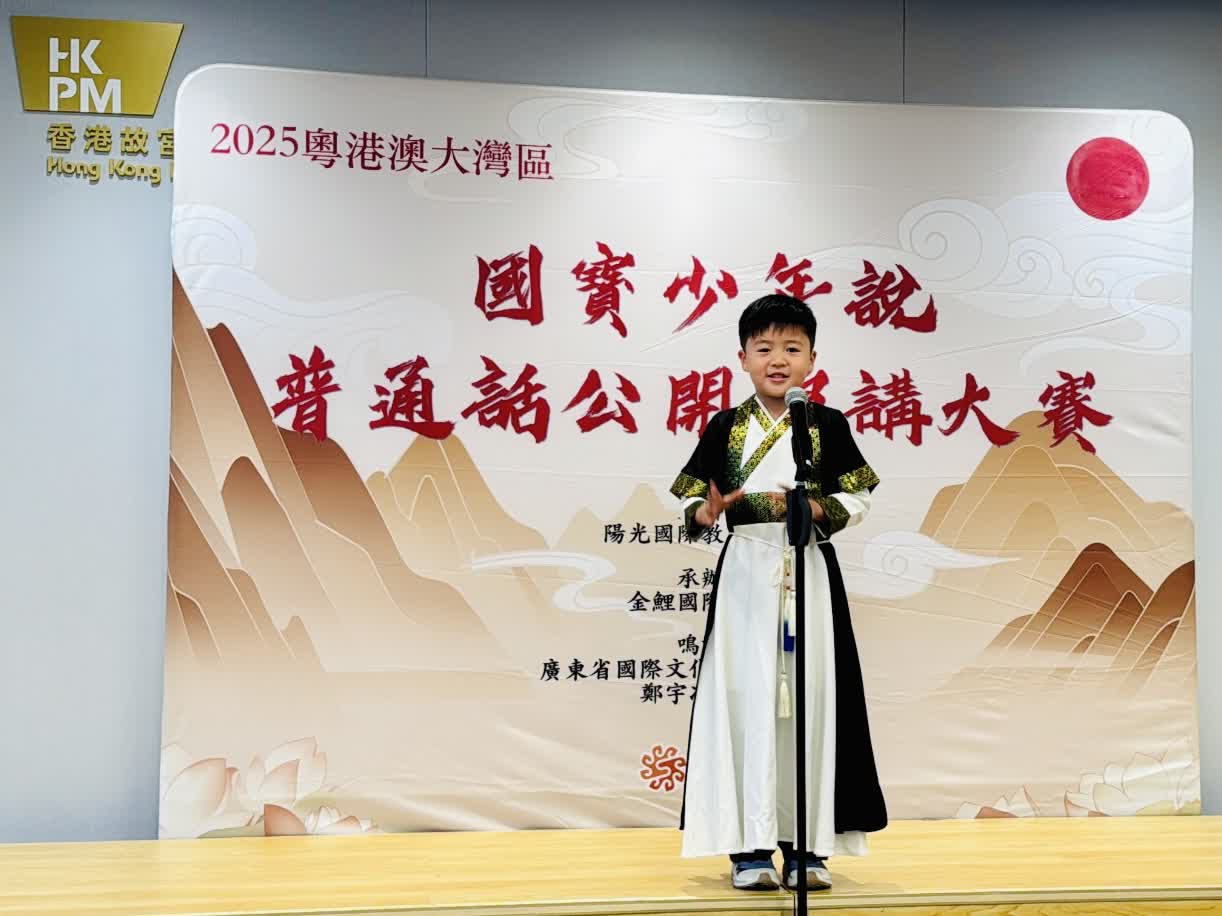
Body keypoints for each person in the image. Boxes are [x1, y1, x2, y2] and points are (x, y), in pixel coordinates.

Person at [670, 293, 887, 891]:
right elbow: (695, 502)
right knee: (744, 696)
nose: (778, 359)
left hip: (808, 570)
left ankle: (806, 845)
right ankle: (747, 847)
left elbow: (857, 496)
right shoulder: (725, 426)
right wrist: (705, 513)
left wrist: (816, 508)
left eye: (792, 348)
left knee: (810, 699)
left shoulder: (827, 424)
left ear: (812, 359)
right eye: (764, 347)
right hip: (745, 572)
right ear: (742, 358)